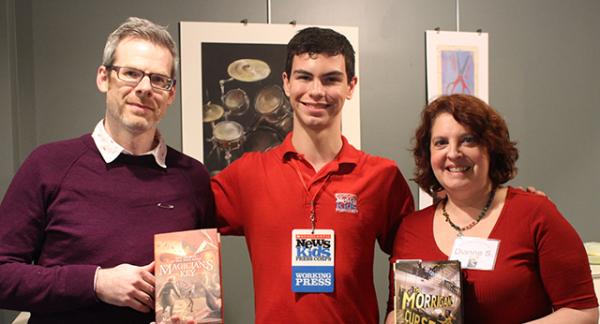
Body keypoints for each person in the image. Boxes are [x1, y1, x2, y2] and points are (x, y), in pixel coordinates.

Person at [0, 17, 214, 323]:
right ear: (104, 77)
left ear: (171, 93)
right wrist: (95, 282)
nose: (144, 88)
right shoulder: (48, 165)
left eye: (158, 80)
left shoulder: (192, 177)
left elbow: (197, 289)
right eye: (130, 73)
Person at [211, 27, 415, 323]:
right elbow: (180, 220)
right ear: (286, 82)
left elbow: (413, 250)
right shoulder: (248, 174)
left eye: (331, 79)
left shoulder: (381, 176)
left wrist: (399, 311)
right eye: (304, 77)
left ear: (351, 86)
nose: (316, 91)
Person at [388, 94, 598, 323]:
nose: (453, 153)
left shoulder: (535, 214)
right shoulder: (411, 229)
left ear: (491, 148)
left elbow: (583, 312)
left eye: (468, 140)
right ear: (428, 153)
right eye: (441, 142)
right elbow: (396, 314)